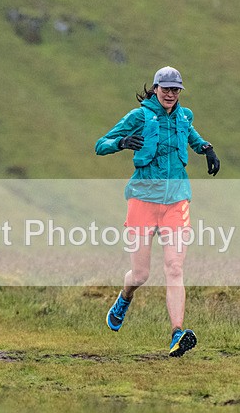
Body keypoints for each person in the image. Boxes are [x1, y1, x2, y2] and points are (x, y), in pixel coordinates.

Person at [94, 66, 220, 357]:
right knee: (140, 274)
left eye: (176, 89)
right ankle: (124, 298)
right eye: (166, 88)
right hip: (142, 201)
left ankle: (178, 333)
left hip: (177, 202)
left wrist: (207, 149)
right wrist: (121, 143)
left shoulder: (184, 117)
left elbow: (194, 138)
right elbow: (100, 145)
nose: (171, 94)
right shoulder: (139, 116)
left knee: (174, 268)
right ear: (156, 88)